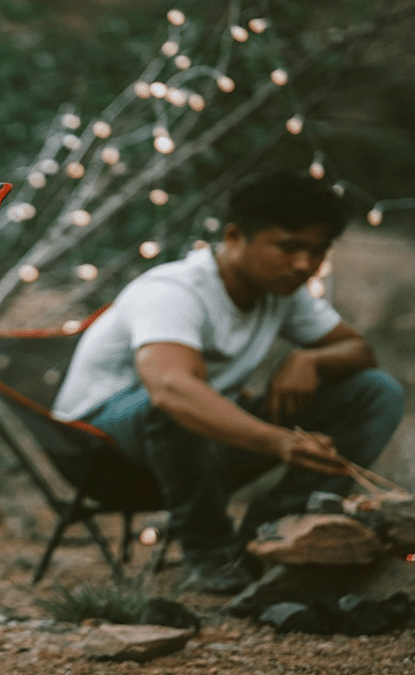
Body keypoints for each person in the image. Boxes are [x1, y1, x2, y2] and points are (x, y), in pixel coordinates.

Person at [52, 170, 405, 594]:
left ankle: (274, 533)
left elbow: (358, 351)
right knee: (177, 405)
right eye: (288, 246)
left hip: (196, 443)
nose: (304, 265)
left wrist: (310, 358)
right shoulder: (173, 290)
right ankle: (212, 553)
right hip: (99, 451)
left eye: (318, 250)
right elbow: (170, 388)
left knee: (374, 391)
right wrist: (278, 441)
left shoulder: (283, 292)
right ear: (235, 237)